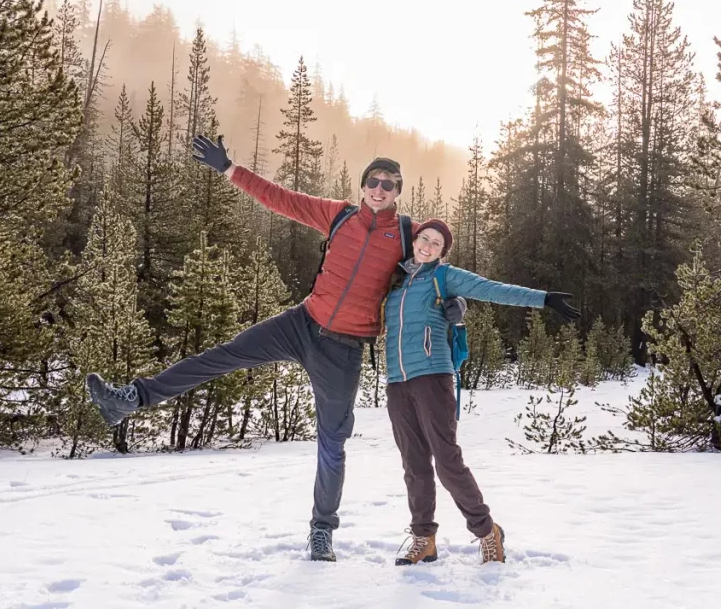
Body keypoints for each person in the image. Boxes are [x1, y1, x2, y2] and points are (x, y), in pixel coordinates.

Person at [85, 134, 466, 563]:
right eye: (373, 181)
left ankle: (322, 530)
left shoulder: (407, 233)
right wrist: (229, 170)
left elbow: (441, 269)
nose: (379, 189)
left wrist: (455, 305)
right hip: (302, 323)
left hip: (344, 349)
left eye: (389, 184)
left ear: (398, 191)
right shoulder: (338, 216)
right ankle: (130, 399)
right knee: (223, 355)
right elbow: (280, 198)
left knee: (332, 441)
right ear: (363, 185)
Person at [382, 219, 579, 566]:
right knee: (413, 464)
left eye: (437, 244)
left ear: (443, 252)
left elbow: (492, 289)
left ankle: (487, 532)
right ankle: (423, 539)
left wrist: (543, 299)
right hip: (397, 381)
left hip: (432, 375)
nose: (428, 246)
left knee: (446, 461)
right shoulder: (395, 279)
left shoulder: (444, 276)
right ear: (414, 240)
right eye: (424, 239)